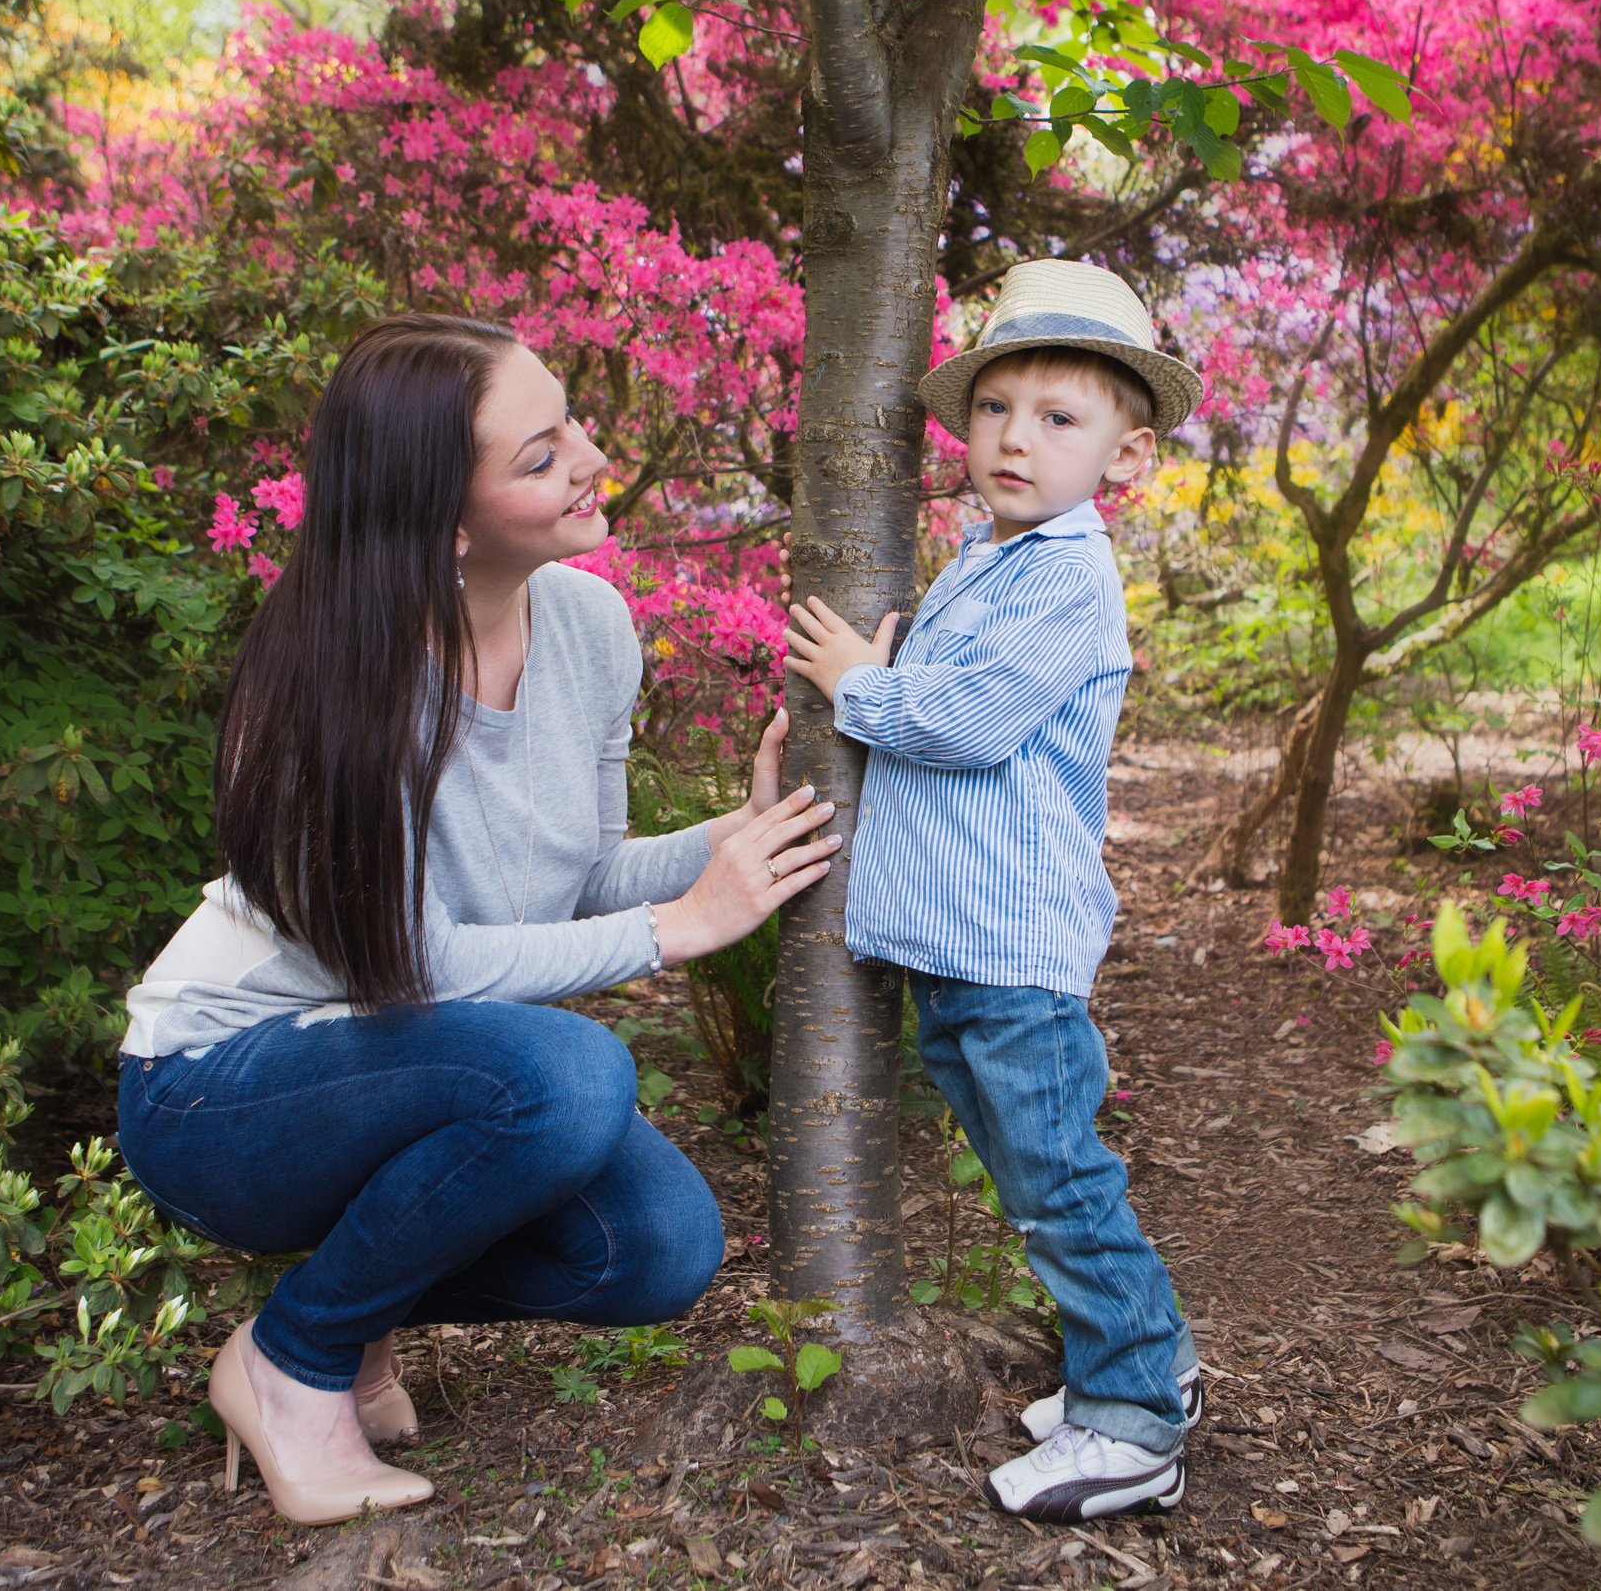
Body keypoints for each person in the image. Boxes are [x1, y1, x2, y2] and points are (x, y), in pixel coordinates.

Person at [117, 313, 841, 1526]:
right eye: (543, 454)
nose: (595, 457)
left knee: (657, 1245)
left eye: (572, 423)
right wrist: (681, 930)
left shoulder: (588, 625)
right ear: (447, 524)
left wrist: (731, 839)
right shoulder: (336, 688)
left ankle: (342, 1317)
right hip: (219, 1097)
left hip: (411, 1072)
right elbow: (423, 963)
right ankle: (293, 1367)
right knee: (566, 1075)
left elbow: (580, 871)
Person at [781, 259, 1205, 1523]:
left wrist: (860, 679)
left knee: (1056, 1177)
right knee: (1032, 1170)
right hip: (959, 946)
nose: (1016, 437)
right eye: (995, 409)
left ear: (1121, 464)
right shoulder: (991, 555)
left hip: (1013, 950)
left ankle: (1132, 1419)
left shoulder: (1068, 575)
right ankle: (1153, 1359)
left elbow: (964, 722)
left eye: (1058, 418)